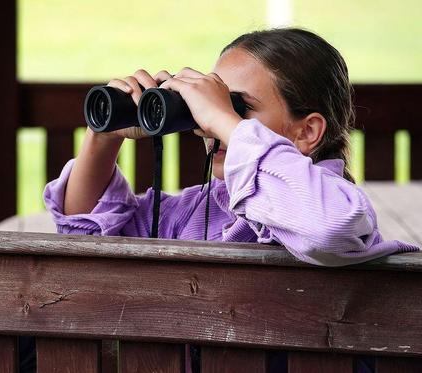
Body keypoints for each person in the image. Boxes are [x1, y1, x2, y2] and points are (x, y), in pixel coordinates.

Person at [44, 27, 418, 268]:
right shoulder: (198, 211)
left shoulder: (334, 207)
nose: (211, 122)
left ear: (307, 132)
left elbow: (327, 228)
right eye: (212, 104)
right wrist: (103, 137)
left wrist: (226, 122)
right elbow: (85, 236)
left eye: (237, 108)